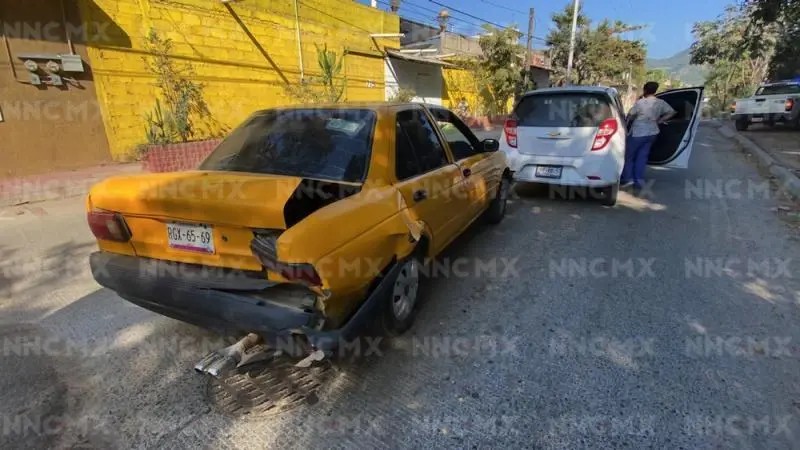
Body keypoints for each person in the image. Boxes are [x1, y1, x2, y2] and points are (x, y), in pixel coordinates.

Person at [621, 81, 677, 189]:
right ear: (655, 91)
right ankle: (639, 181)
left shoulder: (641, 102)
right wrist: (660, 120)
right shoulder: (660, 102)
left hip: (638, 133)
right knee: (642, 157)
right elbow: (672, 112)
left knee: (629, 156)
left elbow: (630, 115)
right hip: (652, 132)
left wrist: (627, 123)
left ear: (645, 90)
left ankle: (628, 179)